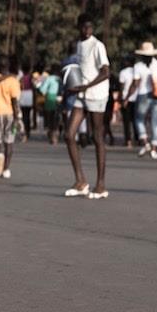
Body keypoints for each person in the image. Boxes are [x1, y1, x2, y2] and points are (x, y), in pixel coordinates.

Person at [63, 16, 111, 199]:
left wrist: (86, 86)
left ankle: (101, 185)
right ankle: (80, 181)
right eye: (84, 27)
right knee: (68, 134)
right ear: (79, 28)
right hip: (81, 95)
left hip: (97, 94)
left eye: (90, 26)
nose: (87, 30)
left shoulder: (97, 45)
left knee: (97, 137)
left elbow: (106, 72)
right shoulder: (78, 45)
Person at [124, 41, 157, 160]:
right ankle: (154, 148)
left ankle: (146, 143)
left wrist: (127, 97)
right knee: (156, 122)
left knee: (139, 120)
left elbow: (135, 84)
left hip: (143, 95)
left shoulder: (138, 66)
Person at [37, 64, 62, 145]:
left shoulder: (49, 78)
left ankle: (52, 137)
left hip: (50, 99)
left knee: (50, 119)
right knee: (57, 119)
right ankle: (56, 136)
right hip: (59, 99)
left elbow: (42, 90)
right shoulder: (60, 79)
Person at [118, 56, 136, 147]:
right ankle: (138, 138)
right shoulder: (136, 71)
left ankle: (128, 140)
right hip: (136, 99)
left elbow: (121, 87)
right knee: (136, 120)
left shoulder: (123, 73)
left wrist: (121, 99)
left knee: (126, 121)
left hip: (126, 99)